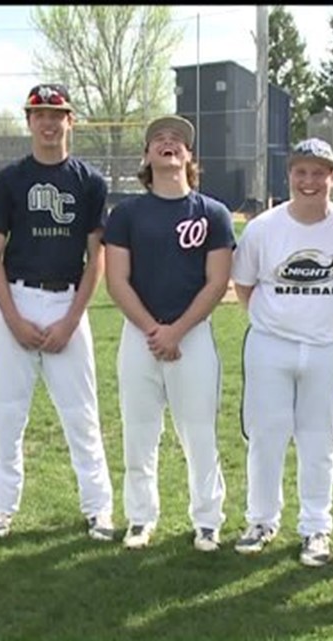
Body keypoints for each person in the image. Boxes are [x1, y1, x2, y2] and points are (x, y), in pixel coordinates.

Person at [0, 83, 115, 541]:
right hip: (17, 299)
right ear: (29, 121)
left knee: (81, 415)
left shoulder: (90, 181)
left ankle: (99, 508)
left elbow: (97, 257)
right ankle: (0, 509)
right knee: (7, 415)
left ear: (69, 120)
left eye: (57, 115)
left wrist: (73, 319)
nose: (49, 123)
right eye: (40, 115)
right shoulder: (11, 179)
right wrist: (11, 317)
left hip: (66, 302)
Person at [231, 138, 333, 566]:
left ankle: (316, 528)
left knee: (318, 440)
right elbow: (244, 285)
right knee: (266, 436)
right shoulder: (263, 227)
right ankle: (261, 519)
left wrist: (322, 323)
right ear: (289, 176)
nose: (309, 181)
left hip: (328, 348)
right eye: (301, 172)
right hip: (270, 345)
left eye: (319, 173)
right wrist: (280, 320)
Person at [103, 114, 234, 552]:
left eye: (178, 140)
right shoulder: (126, 213)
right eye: (158, 138)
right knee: (139, 432)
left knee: (199, 433)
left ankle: (208, 520)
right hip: (140, 335)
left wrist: (176, 331)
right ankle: (140, 518)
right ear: (146, 155)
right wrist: (154, 331)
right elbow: (116, 280)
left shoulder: (212, 213)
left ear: (189, 156)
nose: (168, 143)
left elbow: (217, 281)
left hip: (192, 336)